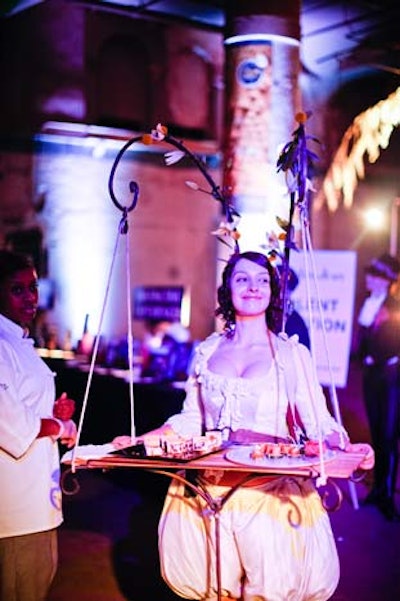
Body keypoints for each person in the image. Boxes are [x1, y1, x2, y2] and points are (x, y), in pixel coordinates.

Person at [115, 251, 373, 600]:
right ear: (228, 290)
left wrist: (344, 447)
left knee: (268, 590)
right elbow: (191, 420)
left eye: (262, 280)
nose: (253, 287)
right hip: (210, 493)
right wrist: (138, 441)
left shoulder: (292, 354)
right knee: (214, 589)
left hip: (268, 493)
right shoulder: (207, 352)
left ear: (273, 291)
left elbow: (318, 422)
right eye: (242, 279)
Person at [0, 249, 77, 601]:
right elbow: (12, 425)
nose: (30, 298)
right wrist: (60, 427)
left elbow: (27, 407)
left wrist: (54, 413)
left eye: (33, 288)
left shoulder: (20, 342)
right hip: (15, 510)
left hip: (37, 505)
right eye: (18, 289)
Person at [357, 252, 400, 521]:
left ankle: (387, 495)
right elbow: (364, 339)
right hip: (371, 377)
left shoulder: (394, 306)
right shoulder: (367, 302)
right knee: (376, 433)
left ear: (385, 281)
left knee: (389, 436)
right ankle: (377, 489)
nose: (368, 279)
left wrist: (379, 357)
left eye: (374, 275)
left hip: (391, 377)